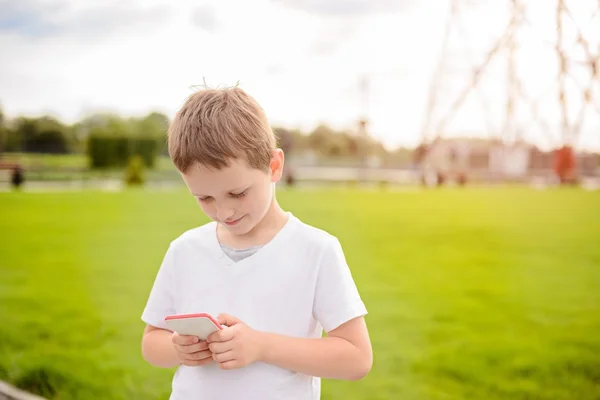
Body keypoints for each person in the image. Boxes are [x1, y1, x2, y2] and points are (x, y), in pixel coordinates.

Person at [140, 86, 372, 399]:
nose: (224, 212)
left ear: (274, 166)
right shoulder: (184, 250)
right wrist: (178, 348)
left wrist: (260, 346)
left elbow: (356, 359)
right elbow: (151, 343)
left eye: (238, 193)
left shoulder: (316, 250)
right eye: (205, 198)